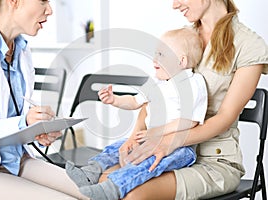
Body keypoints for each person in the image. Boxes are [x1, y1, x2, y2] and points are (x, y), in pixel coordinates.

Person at [98, 0, 268, 199]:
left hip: (213, 161)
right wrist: (135, 137)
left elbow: (225, 117)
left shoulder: (248, 45)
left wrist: (170, 141)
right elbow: (156, 95)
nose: (174, 5)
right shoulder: (180, 38)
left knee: (133, 194)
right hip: (163, 149)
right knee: (106, 181)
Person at [65, 28, 208, 200]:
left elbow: (189, 121)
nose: (155, 59)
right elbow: (134, 102)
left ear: (182, 61)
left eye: (162, 54)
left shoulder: (194, 83)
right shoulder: (157, 82)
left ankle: (112, 189)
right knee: (116, 147)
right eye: (156, 53)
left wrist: (157, 131)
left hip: (179, 147)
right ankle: (90, 172)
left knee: (148, 164)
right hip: (149, 139)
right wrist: (115, 100)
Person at [0, 0, 88, 200]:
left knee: (98, 193)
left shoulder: (22, 50)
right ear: (14, 1)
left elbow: (12, 118)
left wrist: (37, 132)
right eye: (43, 1)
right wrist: (23, 122)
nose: (49, 10)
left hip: (17, 159)